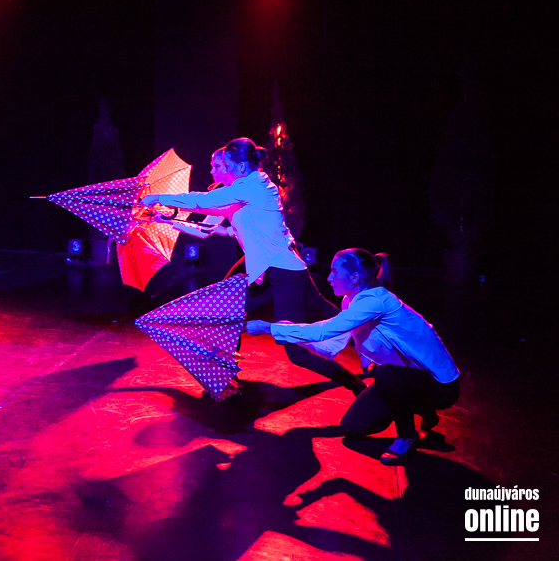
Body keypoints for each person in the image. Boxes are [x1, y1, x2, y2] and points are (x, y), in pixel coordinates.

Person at [140, 137, 365, 395]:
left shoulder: (253, 185)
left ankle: (355, 380)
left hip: (285, 273)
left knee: (297, 352)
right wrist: (165, 219)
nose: (219, 170)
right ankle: (226, 377)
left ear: (241, 166)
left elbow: (204, 201)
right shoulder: (243, 188)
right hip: (272, 271)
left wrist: (159, 197)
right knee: (229, 315)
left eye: (224, 165)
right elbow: (207, 225)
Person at [247, 249, 461, 466]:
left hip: (439, 385)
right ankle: (421, 408)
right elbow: (331, 347)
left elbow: (324, 330)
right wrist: (290, 334)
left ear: (355, 277)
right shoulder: (350, 302)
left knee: (385, 374)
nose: (329, 278)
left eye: (334, 272)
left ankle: (407, 435)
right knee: (352, 427)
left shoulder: (375, 302)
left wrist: (269, 328)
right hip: (403, 380)